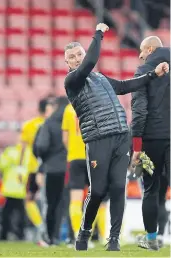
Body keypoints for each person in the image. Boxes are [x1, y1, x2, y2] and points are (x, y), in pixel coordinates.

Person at [63, 23, 169, 251]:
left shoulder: (100, 78)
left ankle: (113, 238)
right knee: (98, 190)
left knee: (118, 188)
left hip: (121, 136)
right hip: (97, 139)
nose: (77, 59)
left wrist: (152, 74)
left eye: (79, 54)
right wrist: (98, 34)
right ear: (68, 63)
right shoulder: (72, 81)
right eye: (72, 57)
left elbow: (123, 86)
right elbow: (90, 62)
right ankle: (84, 232)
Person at [131, 36, 170, 250]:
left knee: (151, 190)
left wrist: (137, 147)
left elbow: (139, 111)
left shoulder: (143, 72)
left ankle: (152, 239)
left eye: (142, 51)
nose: (140, 55)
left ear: (151, 49)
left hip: (151, 141)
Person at [62, 103, 107, 245]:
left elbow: (64, 139)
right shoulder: (97, 106)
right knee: (98, 198)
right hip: (93, 157)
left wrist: (73, 150)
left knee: (75, 199)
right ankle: (103, 235)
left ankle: (78, 234)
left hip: (75, 159)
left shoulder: (68, 109)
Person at [34, 97, 69, 245]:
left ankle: (50, 236)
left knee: (51, 204)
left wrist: (44, 159)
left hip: (53, 168)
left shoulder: (49, 123)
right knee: (67, 204)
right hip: (70, 167)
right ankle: (71, 238)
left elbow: (41, 146)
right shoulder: (73, 122)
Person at [20, 98, 48, 246]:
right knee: (49, 200)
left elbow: (22, 149)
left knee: (29, 199)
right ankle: (47, 229)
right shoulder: (54, 124)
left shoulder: (29, 125)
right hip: (50, 167)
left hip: (33, 167)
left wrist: (19, 168)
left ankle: (40, 225)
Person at [0, 133, 31, 241]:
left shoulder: (10, 151)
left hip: (10, 188)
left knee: (7, 213)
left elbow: (0, 166)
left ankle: (4, 235)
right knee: (21, 213)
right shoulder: (29, 153)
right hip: (22, 188)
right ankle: (21, 235)